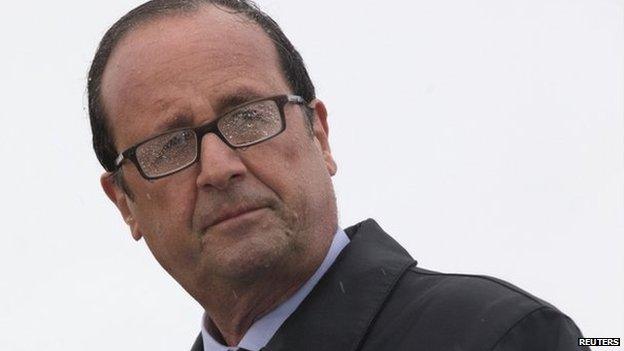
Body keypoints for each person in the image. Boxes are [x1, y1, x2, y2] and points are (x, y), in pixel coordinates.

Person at [87, 1, 588, 350]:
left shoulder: (501, 335)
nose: (219, 168)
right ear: (125, 203)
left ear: (319, 136)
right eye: (170, 146)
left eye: (249, 117)